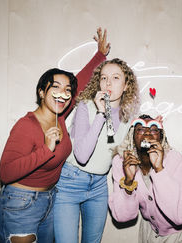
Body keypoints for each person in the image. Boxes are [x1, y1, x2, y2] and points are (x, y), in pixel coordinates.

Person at [0, 28, 111, 243]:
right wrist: (45, 150)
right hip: (21, 202)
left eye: (66, 90)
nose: (62, 93)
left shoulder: (60, 115)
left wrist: (100, 56)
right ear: (41, 91)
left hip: (49, 200)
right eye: (55, 87)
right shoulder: (27, 125)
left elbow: (80, 83)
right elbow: (6, 172)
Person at [53, 58, 140, 243]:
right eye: (103, 78)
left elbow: (125, 156)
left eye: (116, 78)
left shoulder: (128, 118)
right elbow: (82, 155)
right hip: (70, 182)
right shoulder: (86, 107)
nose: (108, 83)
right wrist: (101, 113)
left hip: (99, 186)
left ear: (126, 86)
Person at [108, 114, 182, 243]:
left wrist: (159, 169)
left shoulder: (173, 158)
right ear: (133, 135)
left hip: (179, 232)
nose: (148, 133)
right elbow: (122, 216)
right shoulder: (122, 161)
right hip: (151, 229)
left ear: (161, 137)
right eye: (140, 129)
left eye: (154, 129)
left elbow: (179, 216)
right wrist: (128, 182)